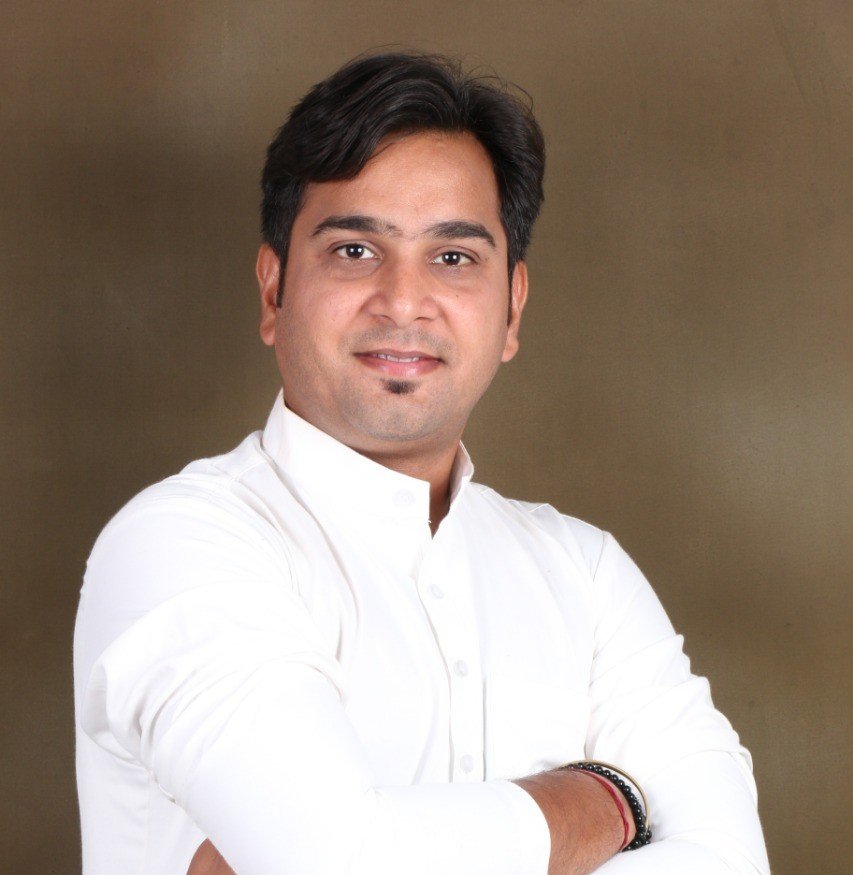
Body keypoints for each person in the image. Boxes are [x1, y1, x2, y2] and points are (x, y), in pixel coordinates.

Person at [73, 52, 770, 875]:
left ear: (511, 309)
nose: (403, 301)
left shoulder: (585, 576)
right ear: (273, 290)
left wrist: (385, 842)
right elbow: (339, 860)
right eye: (353, 250)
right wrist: (608, 799)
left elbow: (729, 863)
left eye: (453, 258)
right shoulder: (181, 542)